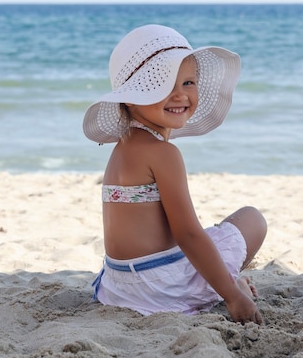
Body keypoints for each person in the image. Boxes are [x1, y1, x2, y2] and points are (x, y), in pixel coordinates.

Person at [83, 24, 267, 324]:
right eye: (164, 84)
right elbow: (188, 234)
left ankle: (225, 280)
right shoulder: (164, 154)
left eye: (188, 82)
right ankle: (229, 284)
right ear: (132, 96)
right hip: (161, 287)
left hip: (118, 287)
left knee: (210, 238)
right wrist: (232, 297)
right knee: (251, 220)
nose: (180, 95)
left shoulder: (124, 145)